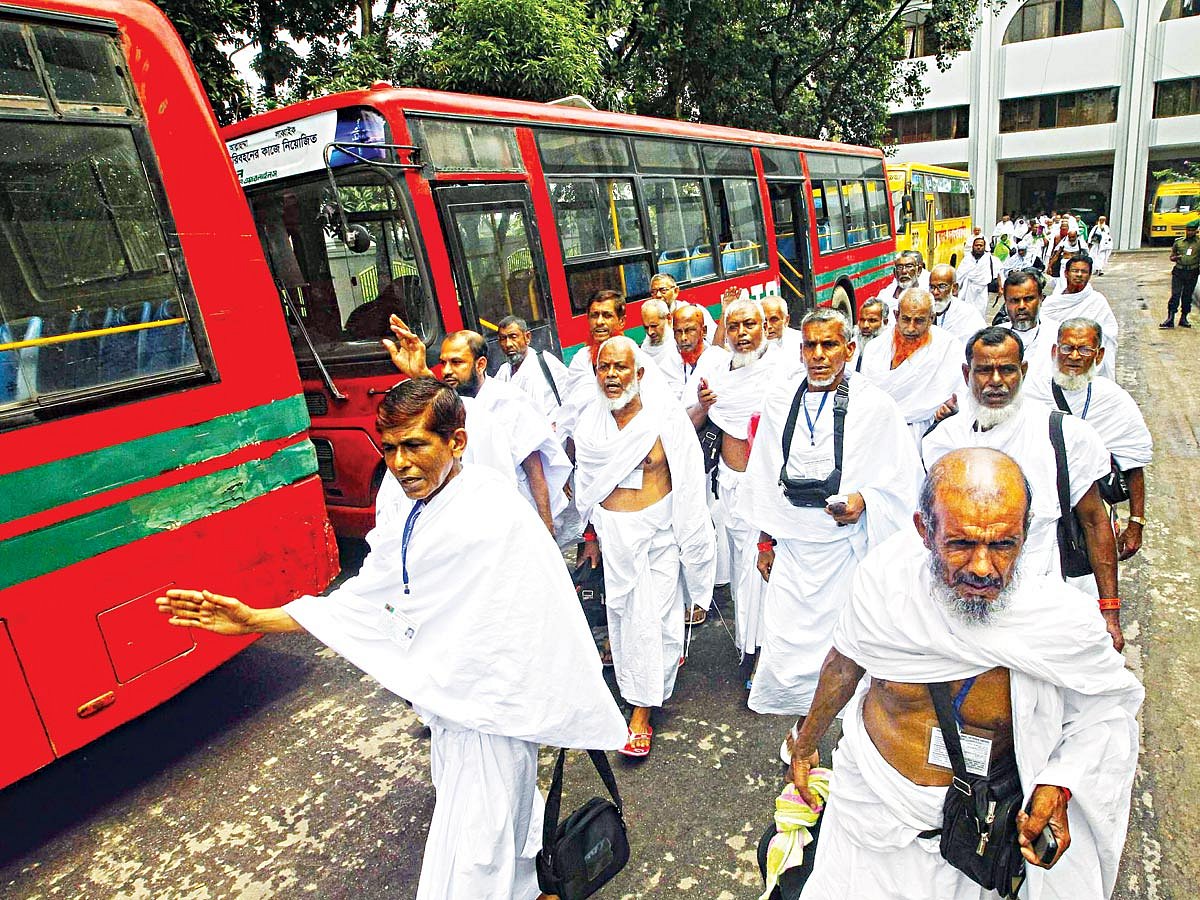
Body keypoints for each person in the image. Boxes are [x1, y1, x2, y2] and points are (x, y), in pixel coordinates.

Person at [156, 378, 628, 900]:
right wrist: (258, 619)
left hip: (488, 718)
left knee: (471, 863)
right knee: (494, 840)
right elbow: (375, 595)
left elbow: (530, 623)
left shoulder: (491, 515)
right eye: (390, 448)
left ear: (458, 443)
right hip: (455, 713)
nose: (400, 464)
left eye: (415, 445)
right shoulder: (424, 505)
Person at [788, 448, 1144, 900]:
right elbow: (844, 663)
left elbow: (1107, 714)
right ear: (924, 530)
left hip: (975, 838)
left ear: (1025, 534)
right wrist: (804, 745)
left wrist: (1060, 782)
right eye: (960, 544)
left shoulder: (1058, 621)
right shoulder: (885, 583)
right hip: (868, 814)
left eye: (1002, 545)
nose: (981, 567)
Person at [741, 308, 920, 718]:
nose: (818, 355)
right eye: (810, 345)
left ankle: (836, 734)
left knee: (846, 649)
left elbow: (903, 484)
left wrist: (866, 500)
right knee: (786, 648)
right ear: (799, 351)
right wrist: (765, 542)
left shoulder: (877, 406)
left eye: (829, 344)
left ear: (850, 348)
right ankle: (803, 729)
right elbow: (765, 476)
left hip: (846, 551)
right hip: (792, 551)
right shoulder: (779, 400)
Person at [921, 327, 1123, 651]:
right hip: (963, 606)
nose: (996, 381)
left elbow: (1095, 523)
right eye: (985, 370)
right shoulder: (941, 443)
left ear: (1023, 371)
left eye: (1008, 369)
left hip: (1044, 601)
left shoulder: (1065, 435)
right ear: (966, 373)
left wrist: (1109, 612)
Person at [573, 336, 716, 757]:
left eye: (620, 368)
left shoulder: (665, 419)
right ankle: (648, 676)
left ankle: (641, 711)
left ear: (639, 373)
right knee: (626, 621)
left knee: (652, 622)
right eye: (604, 368)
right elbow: (588, 489)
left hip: (658, 538)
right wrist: (590, 537)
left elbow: (690, 484)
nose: (612, 376)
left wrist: (694, 549)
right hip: (615, 539)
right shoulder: (590, 423)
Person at [385, 324, 571, 538]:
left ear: (480, 364)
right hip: (466, 524)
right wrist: (421, 374)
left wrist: (545, 526)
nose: (446, 371)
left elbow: (534, 469)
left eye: (456, 363)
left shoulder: (509, 402)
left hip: (513, 519)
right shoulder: (449, 405)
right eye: (443, 363)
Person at [687, 298, 786, 667]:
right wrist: (702, 404)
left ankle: (765, 653)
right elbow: (688, 423)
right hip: (728, 485)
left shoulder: (783, 371)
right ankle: (749, 646)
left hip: (770, 491)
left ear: (765, 329)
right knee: (745, 577)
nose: (742, 334)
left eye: (750, 325)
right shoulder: (715, 373)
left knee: (760, 570)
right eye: (734, 327)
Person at [1024, 317, 1152, 567]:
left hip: (1092, 515)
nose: (1074, 356)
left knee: (1086, 587)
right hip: (1038, 511)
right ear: (1054, 351)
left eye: (1084, 349)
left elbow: (1132, 464)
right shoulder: (1030, 392)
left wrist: (1136, 523)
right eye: (1067, 348)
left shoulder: (1114, 400)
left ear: (1099, 355)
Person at [858, 289, 962, 447]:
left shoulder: (948, 347)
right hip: (878, 433)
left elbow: (960, 394)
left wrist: (950, 408)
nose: (911, 328)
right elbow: (865, 396)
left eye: (919, 321)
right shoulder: (874, 348)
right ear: (896, 315)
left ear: (931, 318)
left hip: (924, 435)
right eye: (905, 319)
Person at [1040, 255, 1118, 379]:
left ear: (1089, 275)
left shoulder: (1097, 301)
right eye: (1075, 271)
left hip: (1086, 360)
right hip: (1058, 358)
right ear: (1066, 273)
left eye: (1084, 271)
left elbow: (1109, 333)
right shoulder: (1052, 302)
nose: (1079, 275)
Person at [495, 315, 570, 433]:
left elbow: (570, 395)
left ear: (527, 337)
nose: (508, 344)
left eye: (513, 337)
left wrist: (559, 424)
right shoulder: (503, 373)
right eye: (503, 339)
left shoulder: (545, 361)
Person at [999, 269, 1060, 392]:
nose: (1021, 306)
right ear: (1006, 303)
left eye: (1028, 299)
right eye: (1015, 301)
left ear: (1041, 299)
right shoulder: (995, 337)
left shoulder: (1058, 335)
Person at [928, 262, 985, 345]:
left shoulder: (968, 314)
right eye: (932, 287)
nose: (935, 292)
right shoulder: (924, 310)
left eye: (942, 286)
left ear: (954, 288)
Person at [650, 272, 717, 343]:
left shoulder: (695, 311)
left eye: (663, 290)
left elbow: (715, 342)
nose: (658, 295)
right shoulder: (653, 319)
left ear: (676, 291)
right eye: (653, 292)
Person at [638, 297, 685, 397]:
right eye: (646, 328)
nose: (650, 332)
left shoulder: (680, 344)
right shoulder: (643, 348)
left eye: (654, 326)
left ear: (668, 318)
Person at [1160, 217, 1200, 329]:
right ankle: (1170, 318)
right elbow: (1171, 256)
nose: (1189, 232)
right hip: (1179, 271)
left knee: (1187, 296)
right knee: (1175, 295)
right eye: (1187, 230)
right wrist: (1175, 258)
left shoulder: (1198, 243)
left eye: (1191, 230)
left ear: (1196, 231)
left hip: (1192, 272)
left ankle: (1184, 318)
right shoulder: (1179, 242)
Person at [955, 236, 999, 317]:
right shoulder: (967, 259)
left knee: (980, 312)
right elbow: (959, 275)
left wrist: (1001, 288)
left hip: (982, 291)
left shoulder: (989, 259)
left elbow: (999, 272)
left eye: (981, 245)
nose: (978, 247)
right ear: (973, 246)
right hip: (968, 289)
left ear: (984, 247)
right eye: (976, 245)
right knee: (967, 312)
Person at [849, 298, 888, 374]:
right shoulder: (852, 345)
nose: (865, 325)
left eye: (872, 320)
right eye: (862, 320)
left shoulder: (890, 349)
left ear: (885, 322)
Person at [763, 293, 803, 361]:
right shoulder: (752, 347)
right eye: (764, 320)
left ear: (786, 320)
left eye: (774, 320)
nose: (768, 326)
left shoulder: (801, 342)